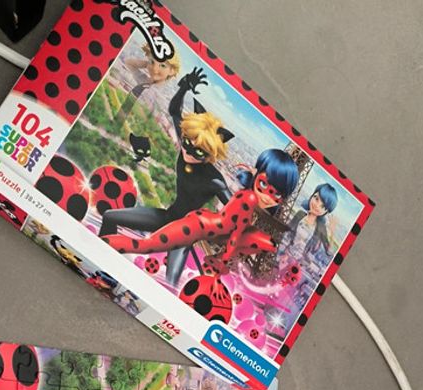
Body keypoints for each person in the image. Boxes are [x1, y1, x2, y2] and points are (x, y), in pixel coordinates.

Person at [100, 67, 234, 285]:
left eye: (199, 152)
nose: (188, 151)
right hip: (167, 217)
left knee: (171, 281)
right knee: (110, 217)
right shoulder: (187, 146)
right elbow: (174, 111)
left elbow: (234, 212)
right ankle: (103, 259)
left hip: (185, 234)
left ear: (210, 155)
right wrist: (183, 87)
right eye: (187, 143)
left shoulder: (215, 179)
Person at [104, 147, 299, 272]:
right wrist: (223, 259)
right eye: (264, 185)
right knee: (143, 245)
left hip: (207, 228)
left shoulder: (247, 196)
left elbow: (241, 234)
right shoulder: (249, 198)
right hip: (196, 227)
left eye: (277, 195)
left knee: (268, 243)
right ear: (257, 175)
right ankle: (101, 245)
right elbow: (236, 235)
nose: (267, 197)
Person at [115, 43, 182, 121]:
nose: (154, 69)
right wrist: (147, 64)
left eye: (163, 65)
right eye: (152, 62)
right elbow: (128, 62)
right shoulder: (143, 80)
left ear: (171, 71)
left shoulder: (160, 95)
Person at [286, 182, 338, 262]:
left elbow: (329, 251)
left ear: (326, 212)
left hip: (300, 262)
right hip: (286, 252)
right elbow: (286, 231)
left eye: (322, 206)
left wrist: (332, 231)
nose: (317, 205)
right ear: (312, 195)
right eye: (316, 199)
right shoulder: (300, 214)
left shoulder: (321, 228)